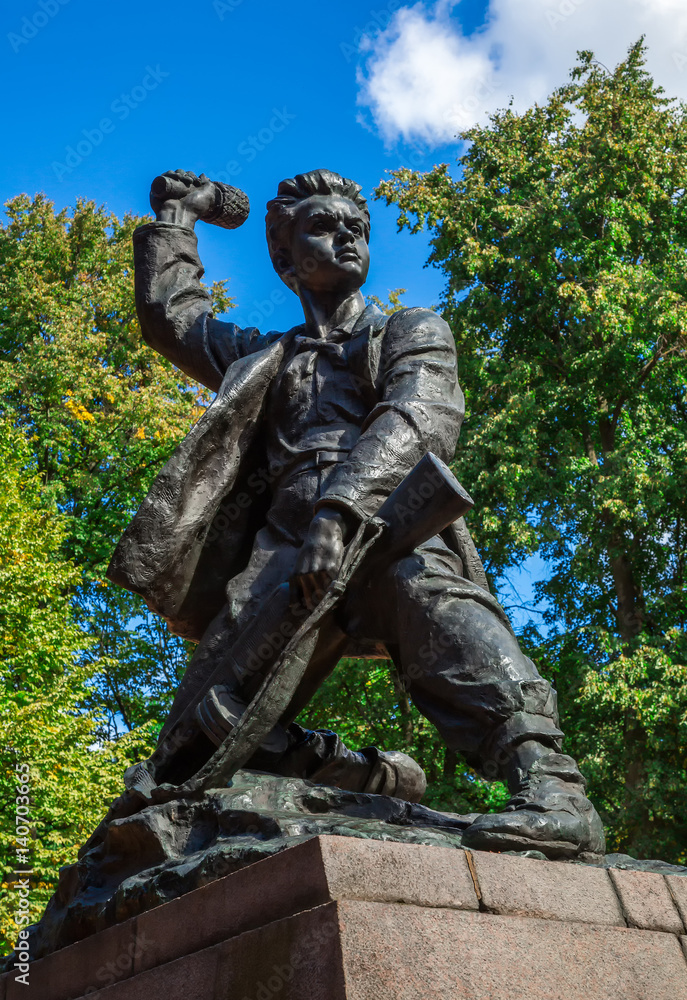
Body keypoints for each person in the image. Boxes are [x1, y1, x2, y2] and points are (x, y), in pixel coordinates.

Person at [108, 168, 605, 859]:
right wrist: (176, 218)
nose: (344, 235)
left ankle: (554, 792)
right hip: (281, 551)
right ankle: (361, 771)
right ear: (282, 257)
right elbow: (173, 317)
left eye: (356, 228)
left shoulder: (409, 328)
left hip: (381, 526)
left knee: (429, 602)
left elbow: (420, 415)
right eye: (322, 225)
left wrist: (337, 513)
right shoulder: (264, 355)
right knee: (185, 757)